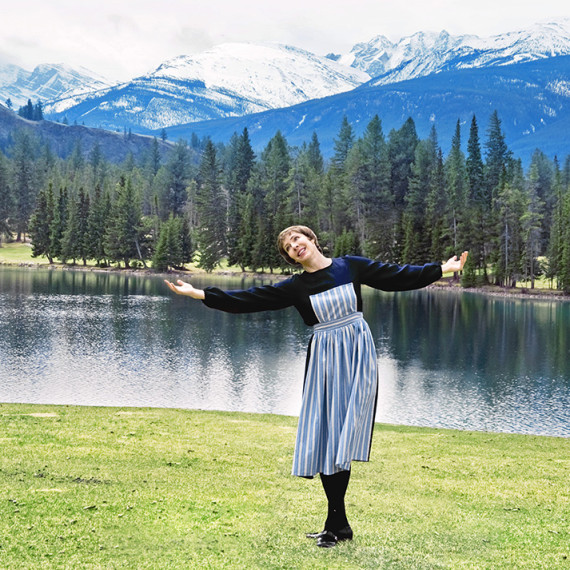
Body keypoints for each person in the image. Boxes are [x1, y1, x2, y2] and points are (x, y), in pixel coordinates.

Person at [165, 225, 468, 548]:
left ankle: (336, 524)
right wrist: (199, 294)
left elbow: (395, 276)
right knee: (327, 436)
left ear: (311, 240)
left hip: (355, 352)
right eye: (288, 246)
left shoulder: (349, 266)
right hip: (324, 358)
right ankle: (337, 524)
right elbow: (250, 299)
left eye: (297, 239)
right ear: (291, 258)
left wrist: (443, 269)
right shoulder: (296, 287)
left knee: (343, 435)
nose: (294, 245)